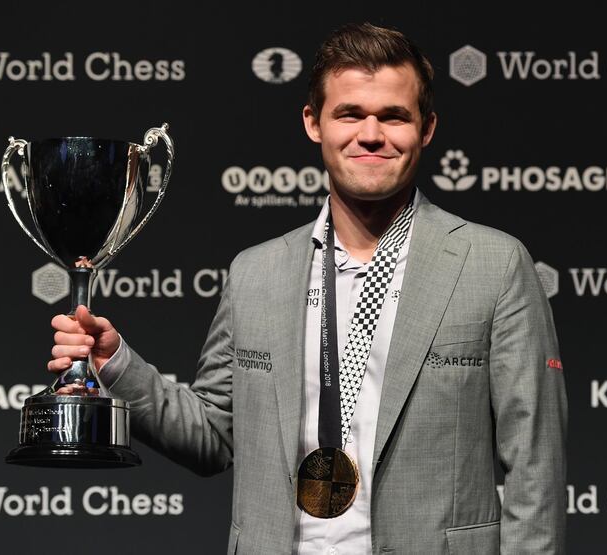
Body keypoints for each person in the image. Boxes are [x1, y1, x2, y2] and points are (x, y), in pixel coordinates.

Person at [49, 23, 567, 555]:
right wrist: (114, 363)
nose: (370, 134)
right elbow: (211, 438)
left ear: (427, 128)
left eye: (393, 116)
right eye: (350, 114)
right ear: (313, 123)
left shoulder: (494, 264)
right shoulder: (256, 273)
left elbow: (535, 461)